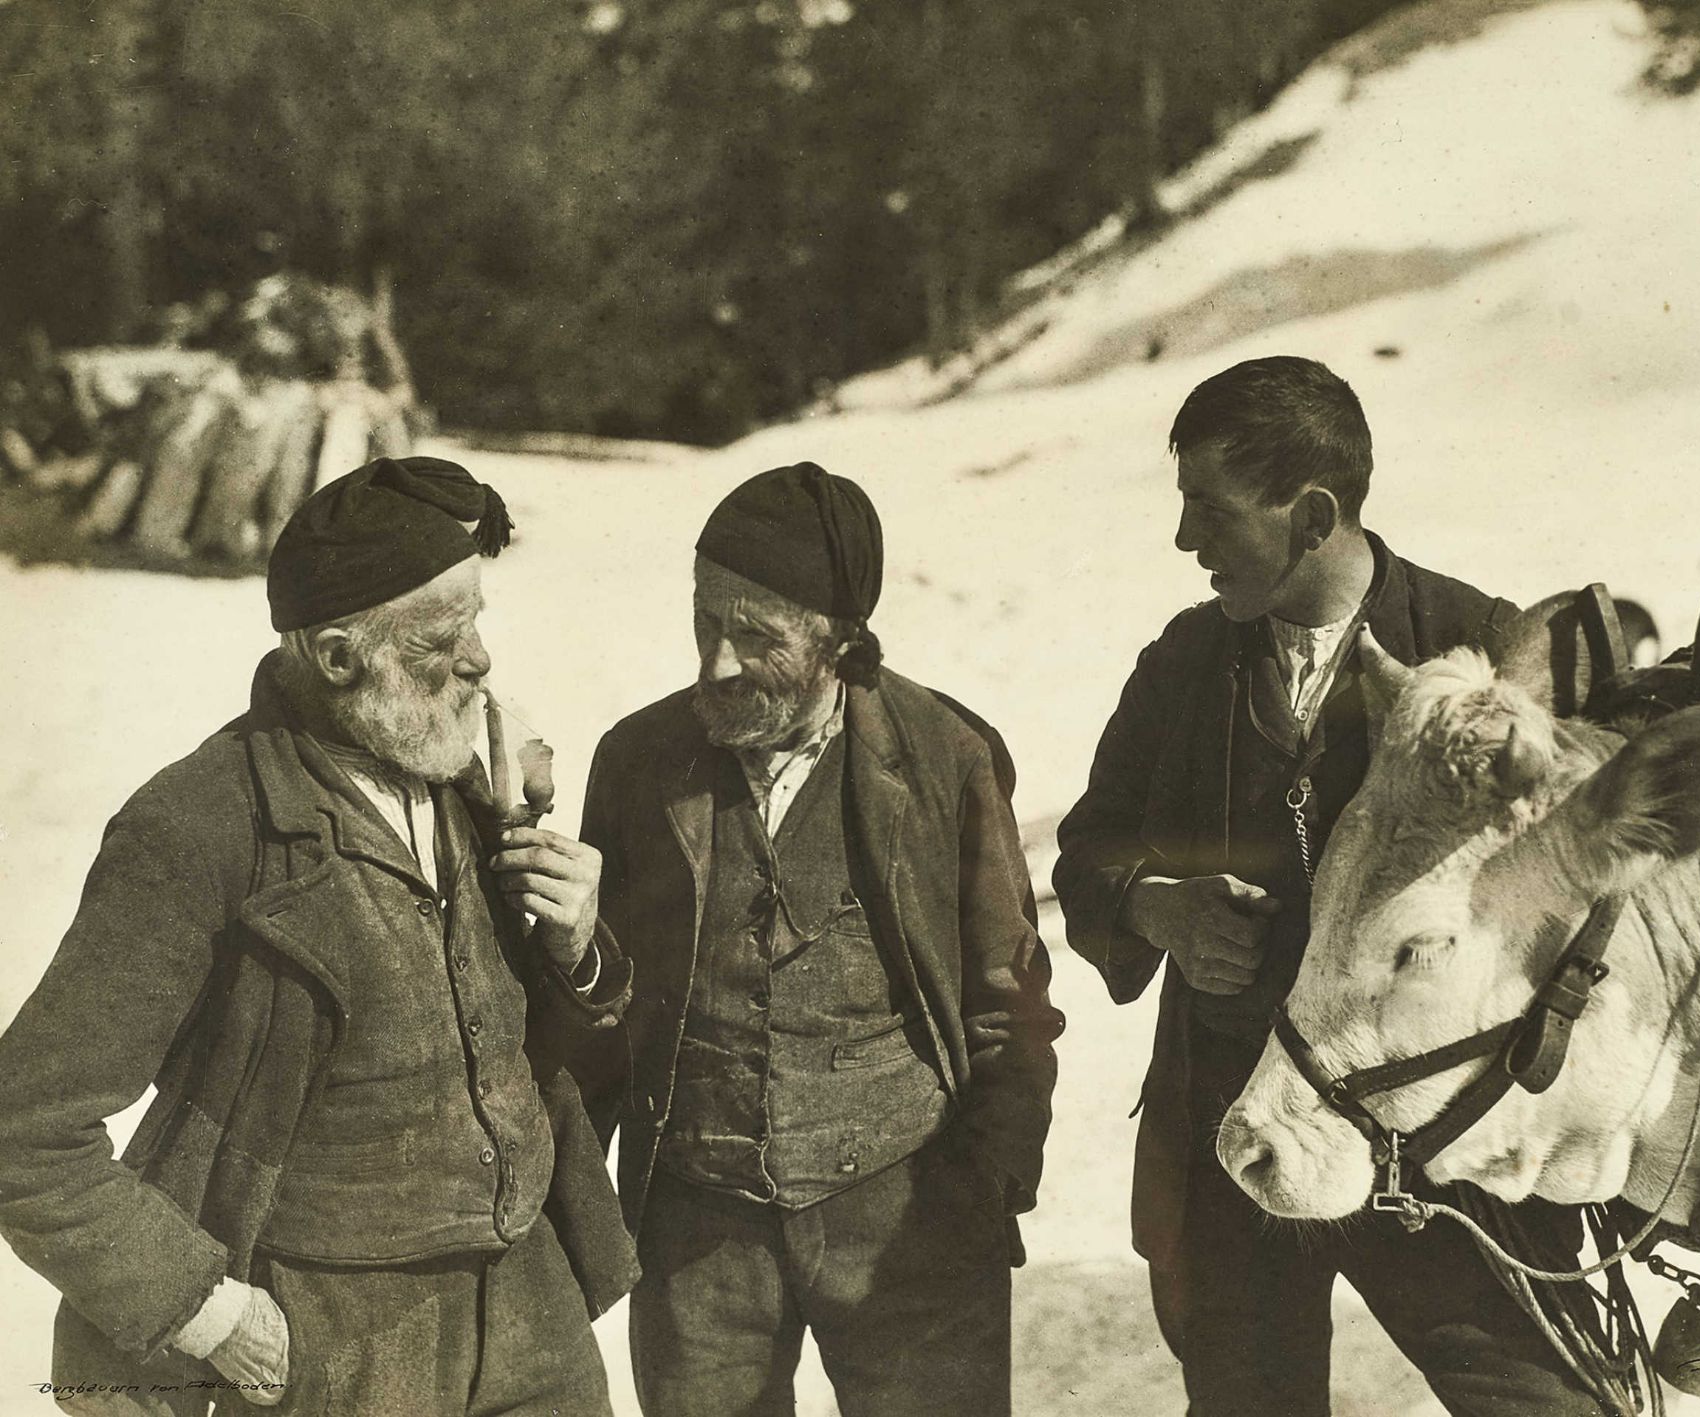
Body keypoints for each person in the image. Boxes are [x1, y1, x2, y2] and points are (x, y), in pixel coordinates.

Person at [0, 456, 638, 1416]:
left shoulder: (458, 782)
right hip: (328, 1345)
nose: (481, 661)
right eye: (441, 637)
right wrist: (209, 1314)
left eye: (478, 622)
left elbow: (518, 1049)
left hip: (530, 1318)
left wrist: (579, 950)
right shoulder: (198, 825)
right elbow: (24, 1132)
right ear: (339, 656)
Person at [1053, 357, 1608, 1416]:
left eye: (1209, 511)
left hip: (1445, 1147)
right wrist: (1150, 901)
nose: (1185, 542)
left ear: (1311, 513)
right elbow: (1087, 850)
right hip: (1242, 1135)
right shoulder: (1182, 665)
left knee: (1540, 1400)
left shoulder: (1483, 648)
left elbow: (1578, 892)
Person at [577, 461, 1063, 1417]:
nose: (716, 661)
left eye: (755, 637)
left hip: (910, 1224)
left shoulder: (945, 756)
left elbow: (1009, 997)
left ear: (840, 645)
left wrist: (985, 1185)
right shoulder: (636, 761)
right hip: (697, 1238)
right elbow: (594, 1003)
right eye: (705, 620)